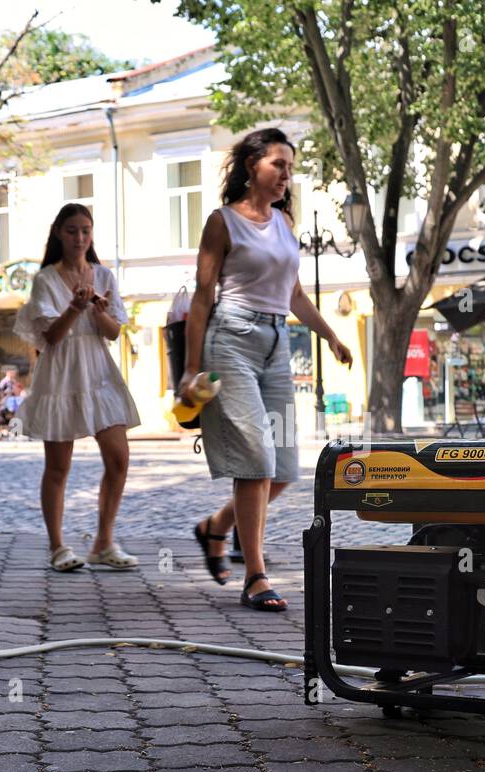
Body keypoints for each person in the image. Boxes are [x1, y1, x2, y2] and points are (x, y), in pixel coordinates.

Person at [179, 127, 353, 612]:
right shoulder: (223, 222)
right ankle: (255, 574)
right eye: (278, 164)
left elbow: (295, 295)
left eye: (291, 168)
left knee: (283, 467)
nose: (286, 175)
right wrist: (191, 368)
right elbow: (201, 295)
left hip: (277, 343)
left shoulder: (283, 223)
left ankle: (216, 526)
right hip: (229, 342)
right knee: (256, 457)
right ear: (252, 165)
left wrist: (331, 336)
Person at [14, 202, 141, 573]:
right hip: (61, 373)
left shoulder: (103, 276)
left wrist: (98, 309)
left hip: (99, 372)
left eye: (86, 230)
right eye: (72, 231)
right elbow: (50, 338)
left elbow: (115, 332)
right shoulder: (45, 279)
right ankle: (58, 546)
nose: (80, 238)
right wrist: (74, 307)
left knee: (119, 458)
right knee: (58, 467)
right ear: (58, 233)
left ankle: (104, 542)